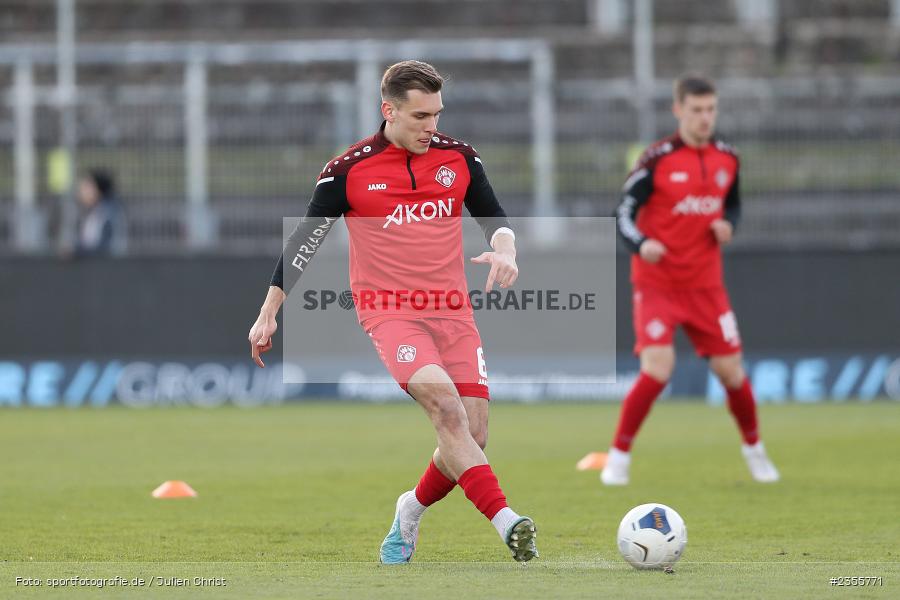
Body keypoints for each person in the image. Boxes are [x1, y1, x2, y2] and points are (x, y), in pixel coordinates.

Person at [247, 61, 538, 563]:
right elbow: (304, 244)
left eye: (437, 114)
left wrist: (507, 250)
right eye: (422, 116)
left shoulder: (459, 158)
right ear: (390, 111)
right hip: (389, 313)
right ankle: (507, 521)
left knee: (474, 433)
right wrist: (269, 312)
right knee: (445, 408)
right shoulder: (348, 170)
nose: (433, 126)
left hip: (453, 313)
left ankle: (410, 510)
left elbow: (494, 218)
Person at [602, 74, 779, 486]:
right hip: (658, 283)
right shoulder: (656, 159)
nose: (704, 118)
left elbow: (733, 204)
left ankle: (755, 450)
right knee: (657, 368)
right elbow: (623, 213)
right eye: (696, 110)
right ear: (678, 110)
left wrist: (728, 225)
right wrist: (642, 242)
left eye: (710, 110)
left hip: (706, 286)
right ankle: (618, 457)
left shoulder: (728, 158)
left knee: (732, 372)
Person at [71, 169, 126, 258]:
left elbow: (104, 248)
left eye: (86, 187)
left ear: (97, 190)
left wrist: (76, 252)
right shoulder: (93, 213)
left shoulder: (108, 213)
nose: (81, 191)